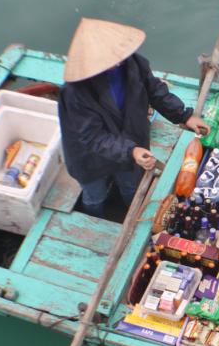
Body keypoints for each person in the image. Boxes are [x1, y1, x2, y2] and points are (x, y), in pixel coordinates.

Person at [58, 17, 210, 217]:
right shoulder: (75, 93)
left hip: (130, 142)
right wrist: (131, 151)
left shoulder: (133, 63)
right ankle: (95, 217)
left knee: (132, 187)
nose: (118, 60)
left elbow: (154, 90)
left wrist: (184, 116)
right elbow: (93, 137)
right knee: (95, 195)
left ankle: (132, 214)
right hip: (91, 157)